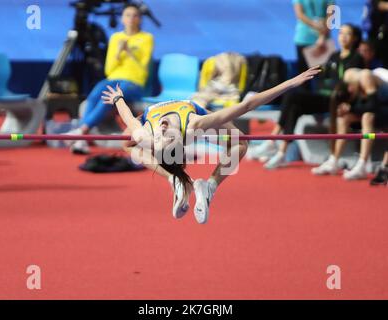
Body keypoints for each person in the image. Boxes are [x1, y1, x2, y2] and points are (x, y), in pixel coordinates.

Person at [100, 67, 321, 224]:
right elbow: (247, 105)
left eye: (159, 138)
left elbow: (127, 114)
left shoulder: (146, 134)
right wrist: (290, 83)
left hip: (158, 116)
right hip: (195, 110)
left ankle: (182, 180)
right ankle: (205, 184)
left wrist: (118, 99)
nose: (163, 131)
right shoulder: (195, 125)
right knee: (240, 143)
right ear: (182, 140)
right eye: (168, 138)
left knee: (127, 141)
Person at [247, 24, 364, 169]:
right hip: (322, 97)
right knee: (293, 105)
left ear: (355, 38)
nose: (343, 37)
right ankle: (281, 152)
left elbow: (353, 87)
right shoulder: (333, 55)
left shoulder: (357, 59)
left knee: (293, 96)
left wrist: (346, 100)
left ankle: (272, 140)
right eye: (340, 33)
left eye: (348, 34)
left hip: (336, 101)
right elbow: (320, 76)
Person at [67, 4, 154, 154]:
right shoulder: (116, 38)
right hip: (114, 78)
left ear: (140, 19)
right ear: (122, 19)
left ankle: (81, 131)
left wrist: (129, 52)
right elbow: (108, 69)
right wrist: (119, 52)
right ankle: (81, 138)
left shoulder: (146, 38)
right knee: (96, 92)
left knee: (110, 95)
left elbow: (143, 69)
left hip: (134, 82)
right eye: (127, 15)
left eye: (135, 15)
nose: (131, 19)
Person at [312, 67, 388, 180]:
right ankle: (334, 160)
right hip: (381, 107)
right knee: (343, 119)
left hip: (382, 106)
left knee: (367, 117)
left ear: (350, 88)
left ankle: (362, 165)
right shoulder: (349, 78)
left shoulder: (365, 77)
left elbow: (373, 106)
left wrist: (351, 108)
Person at [292, 0, 335, 80]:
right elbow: (299, 14)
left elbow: (331, 15)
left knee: (323, 74)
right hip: (304, 38)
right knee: (303, 75)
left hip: (323, 39)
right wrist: (315, 25)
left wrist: (322, 36)